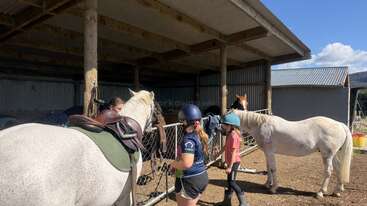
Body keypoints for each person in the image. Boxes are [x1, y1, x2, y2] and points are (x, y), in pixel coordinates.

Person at [170, 104, 209, 206]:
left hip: (190, 179)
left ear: (185, 122)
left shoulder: (188, 139)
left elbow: (187, 164)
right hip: (201, 176)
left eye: (181, 122)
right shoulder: (199, 135)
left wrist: (173, 164)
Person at [216, 112, 248, 206]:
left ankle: (244, 203)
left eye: (224, 124)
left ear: (230, 125)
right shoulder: (229, 134)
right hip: (231, 162)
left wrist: (230, 167)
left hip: (234, 163)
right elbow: (226, 146)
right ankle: (227, 202)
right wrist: (218, 154)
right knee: (229, 182)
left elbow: (234, 153)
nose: (222, 126)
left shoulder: (234, 136)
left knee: (232, 182)